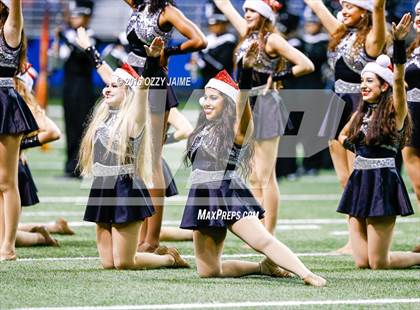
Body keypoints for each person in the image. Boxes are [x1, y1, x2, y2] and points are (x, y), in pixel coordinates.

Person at [180, 42, 326, 286]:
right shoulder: (201, 129)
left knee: (263, 241)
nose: (205, 102)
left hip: (227, 193)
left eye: (213, 98)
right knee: (208, 271)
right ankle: (263, 267)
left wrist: (245, 73)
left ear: (227, 103)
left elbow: (243, 111)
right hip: (202, 196)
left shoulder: (237, 130)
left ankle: (307, 273)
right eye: (205, 96)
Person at [78, 36, 189, 270]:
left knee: (125, 263)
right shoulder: (104, 117)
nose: (107, 90)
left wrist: (150, 61)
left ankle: (169, 258)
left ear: (128, 92)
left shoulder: (133, 119)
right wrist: (91, 51)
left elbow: (141, 91)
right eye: (107, 86)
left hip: (125, 188)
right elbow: (110, 78)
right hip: (102, 187)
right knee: (109, 264)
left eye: (114, 87)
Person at [214, 0, 315, 236]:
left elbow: (306, 64)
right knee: (252, 173)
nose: (246, 14)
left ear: (265, 15)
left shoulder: (271, 39)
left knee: (266, 175)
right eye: (246, 10)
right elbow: (227, 8)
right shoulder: (247, 34)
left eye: (252, 11)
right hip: (246, 104)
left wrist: (279, 75)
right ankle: (258, 228)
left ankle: (268, 232)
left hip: (266, 104)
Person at [122, 0, 207, 252]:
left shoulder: (167, 11)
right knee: (135, 158)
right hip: (133, 81)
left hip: (154, 84)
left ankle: (152, 239)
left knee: (152, 159)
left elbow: (199, 40)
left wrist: (168, 52)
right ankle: (141, 233)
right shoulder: (139, 7)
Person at [337, 14, 420, 269]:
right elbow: (341, 137)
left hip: (383, 182)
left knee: (379, 263)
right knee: (362, 263)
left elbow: (398, 80)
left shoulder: (396, 110)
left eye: (369, 81)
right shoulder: (361, 111)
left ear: (383, 86)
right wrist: (357, 145)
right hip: (359, 181)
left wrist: (397, 44)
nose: (363, 85)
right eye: (362, 80)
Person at [304, 0, 387, 255]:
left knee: (357, 177)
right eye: (344, 6)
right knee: (344, 180)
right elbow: (317, 6)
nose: (344, 10)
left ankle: (362, 241)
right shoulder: (341, 33)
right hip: (336, 103)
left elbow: (380, 9)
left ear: (366, 11)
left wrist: (378, 6)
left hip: (358, 108)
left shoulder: (374, 38)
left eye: (351, 6)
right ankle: (354, 241)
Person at [0, 0, 38, 261]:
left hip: (3, 102)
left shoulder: (10, 31)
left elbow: (15, 8)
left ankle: (8, 247)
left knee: (6, 181)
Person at [49, 0, 96, 178]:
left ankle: (82, 166)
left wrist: (64, 38)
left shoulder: (90, 36)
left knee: (83, 127)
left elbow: (81, 51)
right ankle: (70, 166)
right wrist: (55, 48)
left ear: (87, 18)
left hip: (84, 88)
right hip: (69, 88)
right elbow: (57, 64)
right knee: (70, 126)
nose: (74, 19)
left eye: (79, 16)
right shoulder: (66, 37)